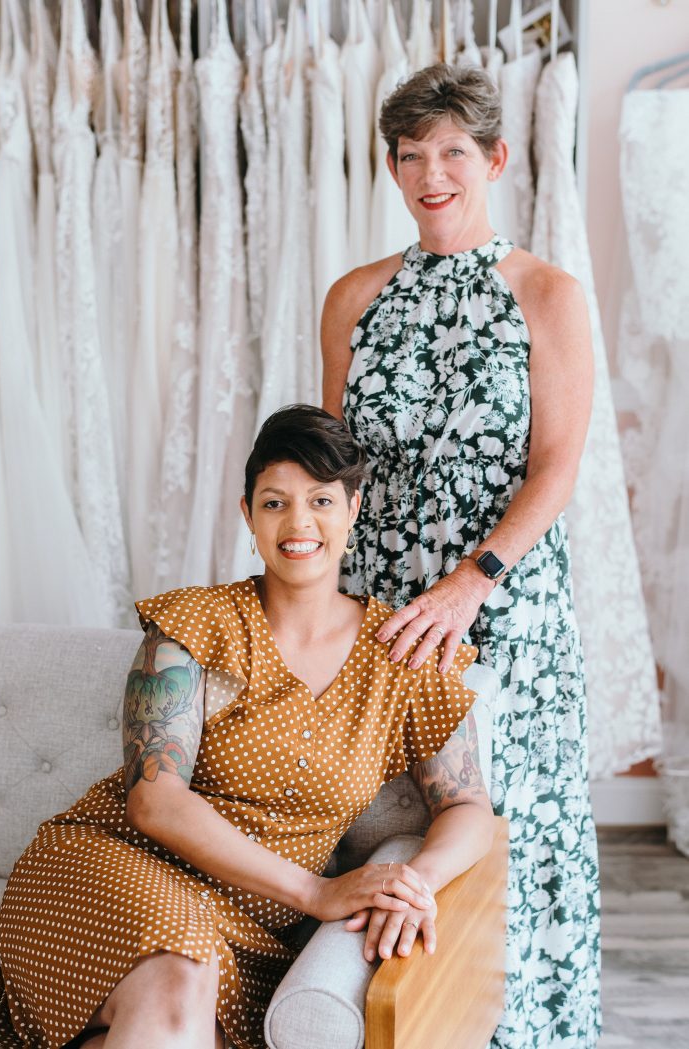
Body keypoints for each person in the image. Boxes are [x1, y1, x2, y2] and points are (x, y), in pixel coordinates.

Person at [0, 405, 493, 1049]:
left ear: (354, 509)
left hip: (250, 923)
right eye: (275, 502)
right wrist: (318, 891)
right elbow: (154, 801)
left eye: (320, 501)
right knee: (178, 981)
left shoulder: (403, 653)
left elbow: (470, 807)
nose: (299, 523)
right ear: (247, 513)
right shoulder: (193, 626)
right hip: (110, 868)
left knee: (178, 1011)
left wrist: (410, 883)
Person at [321, 63, 600, 1048]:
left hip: (503, 608)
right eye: (409, 154)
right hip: (384, 610)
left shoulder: (547, 293)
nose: (429, 171)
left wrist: (469, 583)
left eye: (450, 150)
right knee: (399, 833)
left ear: (494, 157)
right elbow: (336, 475)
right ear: (391, 169)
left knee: (513, 826)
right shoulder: (354, 298)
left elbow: (556, 470)